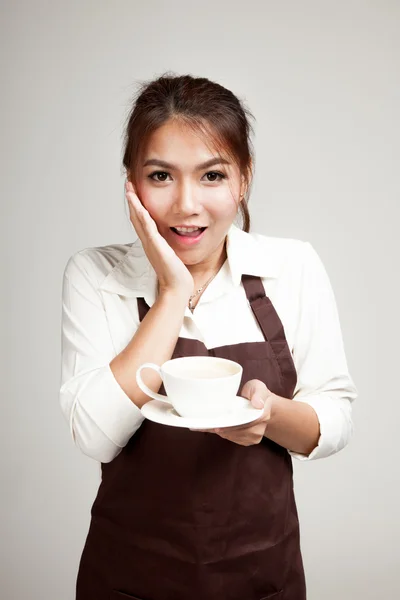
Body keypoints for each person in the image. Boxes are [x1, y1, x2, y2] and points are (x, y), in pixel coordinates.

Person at [59, 73, 357, 600]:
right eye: (160, 176)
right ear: (130, 182)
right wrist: (172, 292)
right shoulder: (96, 275)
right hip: (131, 577)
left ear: (243, 179)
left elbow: (332, 419)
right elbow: (96, 436)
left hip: (261, 575)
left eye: (212, 176)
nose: (186, 204)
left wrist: (269, 417)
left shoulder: (291, 266)